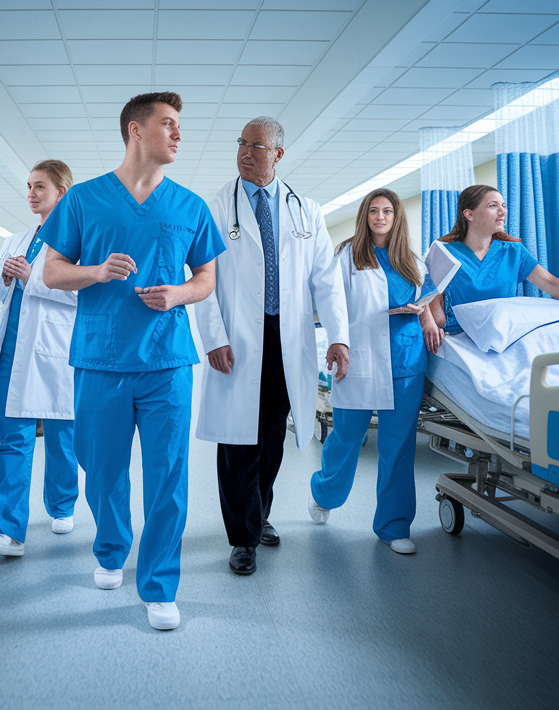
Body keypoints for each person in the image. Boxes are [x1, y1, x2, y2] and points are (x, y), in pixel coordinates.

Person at [41, 91, 224, 631]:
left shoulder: (190, 206)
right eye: (168, 124)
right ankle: (111, 544)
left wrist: (178, 295)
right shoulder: (83, 200)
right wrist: (96, 272)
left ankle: (161, 585)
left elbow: (207, 280)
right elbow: (52, 272)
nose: (178, 134)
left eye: (179, 126)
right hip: (100, 358)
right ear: (134, 130)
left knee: (168, 475)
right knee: (100, 469)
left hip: (167, 361)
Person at [195, 116, 349, 577]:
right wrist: (214, 337)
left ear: (277, 154)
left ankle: (259, 513)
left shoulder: (306, 209)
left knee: (273, 435)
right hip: (239, 335)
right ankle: (243, 538)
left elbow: (326, 279)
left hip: (289, 336)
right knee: (238, 439)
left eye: (256, 145)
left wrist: (338, 335)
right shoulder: (217, 207)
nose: (245, 151)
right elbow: (202, 279)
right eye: (241, 142)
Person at [308, 189, 444, 555]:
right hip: (361, 359)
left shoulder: (413, 260)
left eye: (387, 211)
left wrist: (424, 315)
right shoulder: (347, 255)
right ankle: (324, 493)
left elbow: (428, 298)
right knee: (346, 439)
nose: (380, 216)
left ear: (397, 216)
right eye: (373, 210)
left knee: (397, 447)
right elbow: (330, 303)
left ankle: (393, 526)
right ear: (365, 215)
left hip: (405, 362)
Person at [0, 160, 80, 558]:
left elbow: (81, 295)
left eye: (40, 186)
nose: (31, 194)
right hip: (12, 351)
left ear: (62, 192)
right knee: (13, 440)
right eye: (29, 186)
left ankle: (63, 503)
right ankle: (8, 532)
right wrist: (5, 280)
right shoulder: (15, 240)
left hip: (56, 353)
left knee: (61, 439)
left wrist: (31, 277)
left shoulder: (81, 241)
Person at [426, 184, 559, 332]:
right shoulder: (444, 252)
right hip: (458, 336)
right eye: (493, 206)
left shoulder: (513, 251)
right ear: (469, 214)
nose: (502, 212)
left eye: (503, 205)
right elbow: (429, 298)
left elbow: (550, 283)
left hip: (502, 334)